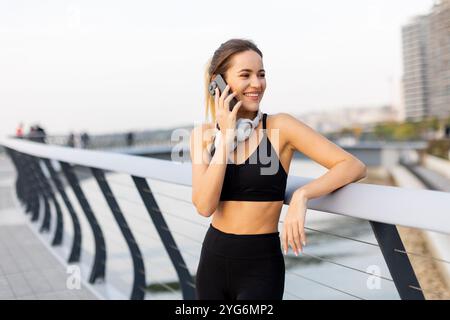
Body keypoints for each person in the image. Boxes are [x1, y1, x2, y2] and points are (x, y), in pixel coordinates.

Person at [189, 38, 367, 300]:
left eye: (261, 74)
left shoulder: (280, 128)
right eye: (245, 75)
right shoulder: (202, 136)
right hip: (213, 259)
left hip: (261, 265)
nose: (257, 84)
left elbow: (353, 166)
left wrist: (302, 195)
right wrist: (225, 140)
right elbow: (205, 206)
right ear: (219, 83)